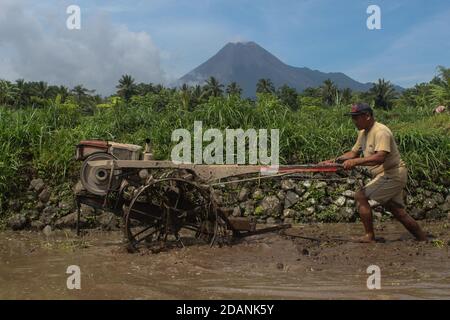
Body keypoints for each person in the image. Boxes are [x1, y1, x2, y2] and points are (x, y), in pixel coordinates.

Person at [321, 102, 427, 243]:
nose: (354, 121)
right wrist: (333, 161)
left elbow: (379, 157)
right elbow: (353, 153)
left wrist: (356, 162)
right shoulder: (363, 133)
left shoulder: (381, 132)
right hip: (386, 175)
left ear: (367, 116)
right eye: (353, 117)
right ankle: (423, 239)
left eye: (356, 117)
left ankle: (369, 236)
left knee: (360, 196)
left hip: (393, 174)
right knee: (398, 212)